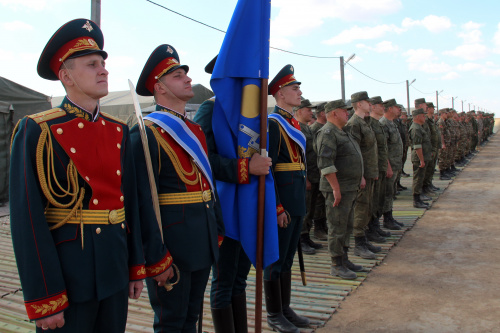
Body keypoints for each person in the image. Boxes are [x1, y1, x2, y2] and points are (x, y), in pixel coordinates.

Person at [9, 18, 146, 332]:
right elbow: (28, 221)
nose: (103, 70)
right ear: (66, 76)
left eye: (103, 63)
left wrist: (135, 267)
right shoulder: (37, 130)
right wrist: (45, 297)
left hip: (114, 269)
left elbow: (132, 205)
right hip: (70, 278)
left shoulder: (118, 130)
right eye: (92, 64)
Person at [130, 44, 224, 332]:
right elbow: (140, 203)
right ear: (159, 87)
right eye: (177, 75)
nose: (186, 79)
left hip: (201, 239)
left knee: (192, 317)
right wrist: (155, 258)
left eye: (185, 73)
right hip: (172, 248)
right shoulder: (146, 133)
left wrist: (216, 229)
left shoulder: (194, 129)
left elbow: (206, 185)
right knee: (171, 322)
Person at [193, 56, 272, 333]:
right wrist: (245, 167)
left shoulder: (251, 113)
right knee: (224, 281)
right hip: (225, 205)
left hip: (248, 202)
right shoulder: (209, 109)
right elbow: (203, 159)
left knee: (240, 279)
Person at [265, 64, 309, 333]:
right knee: (276, 259)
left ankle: (285, 307)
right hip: (283, 203)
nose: (300, 92)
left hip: (297, 200)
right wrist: (277, 206)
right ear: (280, 93)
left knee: (288, 258)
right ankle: (273, 312)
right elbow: (268, 169)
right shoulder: (273, 124)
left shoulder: (292, 123)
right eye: (295, 88)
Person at [315, 99, 364, 280]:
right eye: (344, 111)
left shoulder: (342, 132)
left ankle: (344, 259)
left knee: (347, 225)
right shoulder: (327, 133)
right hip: (338, 189)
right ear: (334, 113)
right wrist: (335, 189)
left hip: (349, 187)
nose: (347, 113)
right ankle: (336, 264)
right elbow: (326, 164)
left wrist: (361, 177)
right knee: (336, 226)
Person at [344, 91, 380, 260]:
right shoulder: (354, 124)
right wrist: (361, 176)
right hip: (362, 173)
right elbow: (354, 152)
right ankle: (358, 244)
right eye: (366, 101)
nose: (369, 104)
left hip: (370, 171)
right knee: (360, 207)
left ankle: (363, 239)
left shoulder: (365, 122)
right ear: (359, 104)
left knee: (367, 206)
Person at [294, 99, 324, 254]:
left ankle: (307, 236)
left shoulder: (308, 128)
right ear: (299, 110)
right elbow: (298, 156)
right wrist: (304, 178)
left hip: (314, 175)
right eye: (308, 110)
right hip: (305, 177)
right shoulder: (296, 128)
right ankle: (301, 239)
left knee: (311, 208)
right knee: (304, 209)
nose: (311, 112)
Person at [366, 96, 392, 242]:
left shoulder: (377, 124)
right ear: (373, 107)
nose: (383, 107)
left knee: (379, 198)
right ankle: (371, 229)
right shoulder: (370, 124)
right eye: (380, 105)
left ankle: (375, 226)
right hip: (374, 169)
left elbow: (383, 148)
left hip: (380, 167)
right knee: (372, 200)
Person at [379, 99, 404, 229]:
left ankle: (390, 217)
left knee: (391, 192)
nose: (399, 110)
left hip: (396, 164)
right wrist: (388, 166)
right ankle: (387, 220)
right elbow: (383, 148)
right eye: (396, 107)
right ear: (389, 109)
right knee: (387, 193)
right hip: (390, 166)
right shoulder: (383, 124)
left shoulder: (392, 123)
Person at [408, 108, 432, 209]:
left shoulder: (419, 127)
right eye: (423, 115)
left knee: (420, 178)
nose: (425, 117)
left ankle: (419, 197)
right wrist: (421, 160)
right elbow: (417, 146)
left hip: (423, 157)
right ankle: (416, 200)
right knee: (418, 178)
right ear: (417, 117)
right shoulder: (416, 128)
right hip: (419, 158)